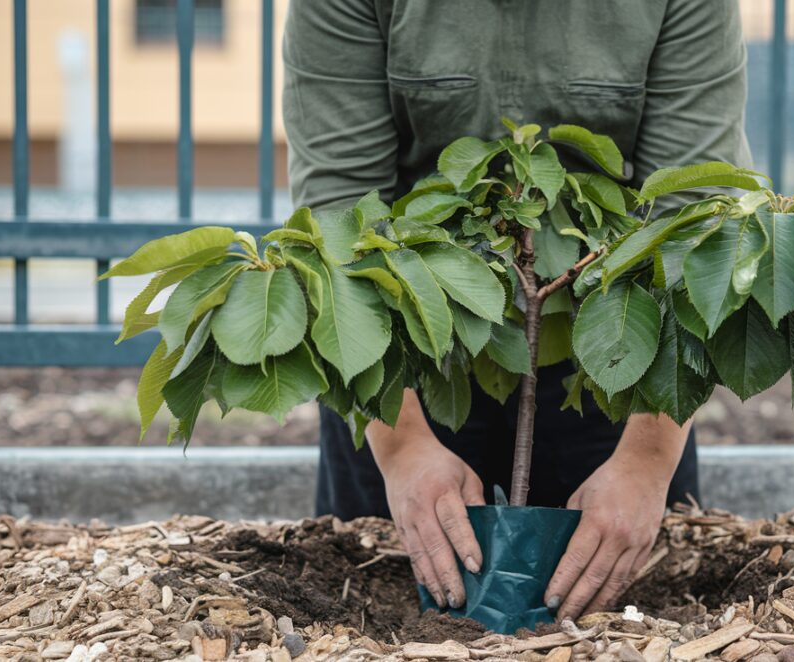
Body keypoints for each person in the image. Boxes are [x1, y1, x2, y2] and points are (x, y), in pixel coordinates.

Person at [282, 0, 751, 622]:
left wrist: (646, 459)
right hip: (406, 357)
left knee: (622, 612)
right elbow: (340, 222)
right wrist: (401, 449)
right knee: (376, 612)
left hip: (613, 358)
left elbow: (693, 222)